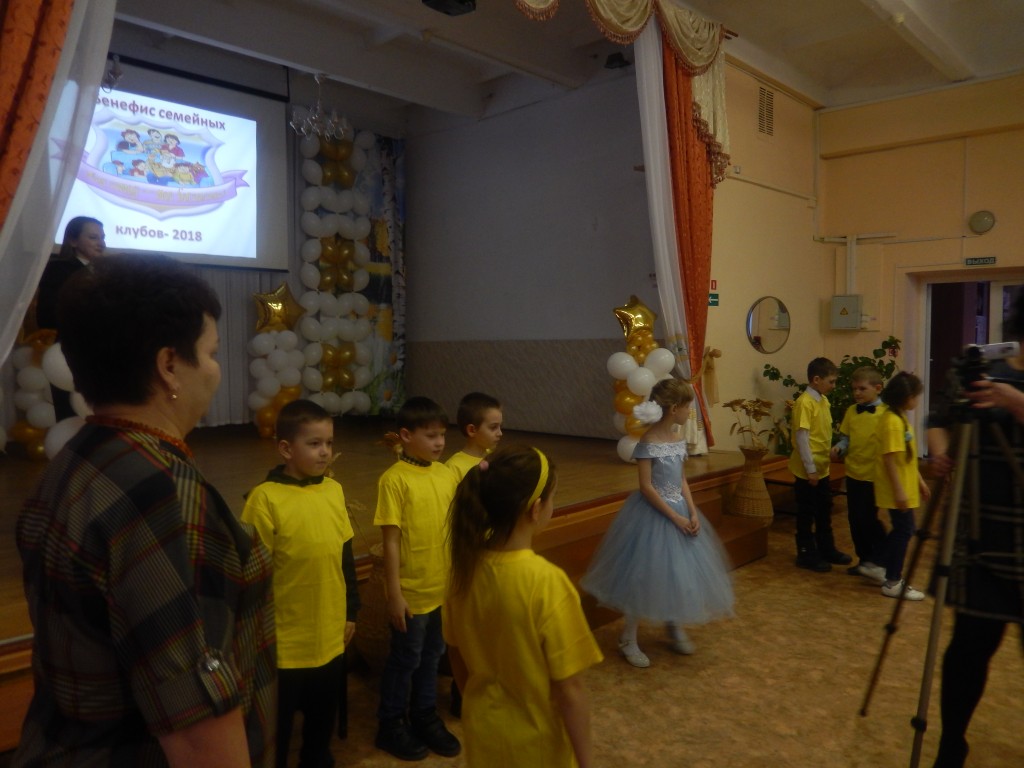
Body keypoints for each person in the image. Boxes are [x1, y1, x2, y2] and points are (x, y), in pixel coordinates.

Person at [14, 254, 275, 767]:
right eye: (211, 352)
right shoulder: (161, 495)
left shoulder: (72, 462)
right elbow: (198, 734)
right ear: (169, 365)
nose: (216, 370)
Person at [444, 445, 602, 767]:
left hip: (483, 731)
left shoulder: (462, 572)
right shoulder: (546, 582)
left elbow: (456, 656)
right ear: (536, 508)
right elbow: (570, 690)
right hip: (536, 746)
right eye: (552, 497)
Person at [929, 291, 1024, 768]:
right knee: (969, 646)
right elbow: (938, 420)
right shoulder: (980, 370)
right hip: (980, 530)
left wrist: (1016, 403)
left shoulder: (1006, 387)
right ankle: (952, 743)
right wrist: (938, 451)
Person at [580, 378, 734, 668]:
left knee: (677, 573)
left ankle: (673, 625)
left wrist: (692, 511)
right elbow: (647, 487)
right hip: (654, 515)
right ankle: (628, 638)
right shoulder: (648, 442)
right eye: (687, 407)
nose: (689, 412)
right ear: (674, 408)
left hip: (680, 510)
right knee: (645, 575)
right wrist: (674, 516)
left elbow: (681, 479)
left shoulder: (677, 439)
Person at [241, 399, 359, 768]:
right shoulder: (264, 500)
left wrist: (351, 611)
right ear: (286, 449)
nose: (325, 451)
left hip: (329, 634)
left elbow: (345, 556)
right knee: (275, 729)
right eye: (314, 443)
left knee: (321, 721)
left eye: (329, 442)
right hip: (285, 641)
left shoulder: (333, 490)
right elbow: (252, 575)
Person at [374, 396, 461, 761]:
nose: (440, 442)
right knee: (406, 658)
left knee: (432, 655)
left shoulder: (445, 474)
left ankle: (424, 716)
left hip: (440, 589)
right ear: (406, 436)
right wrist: (394, 593)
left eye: (442, 435)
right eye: (431, 436)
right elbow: (391, 542)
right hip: (411, 593)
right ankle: (391, 724)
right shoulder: (394, 480)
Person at [35, 217, 106, 420]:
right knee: (70, 414)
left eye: (102, 237)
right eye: (93, 237)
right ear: (73, 241)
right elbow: (46, 314)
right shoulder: (58, 269)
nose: (101, 243)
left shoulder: (108, 272)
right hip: (70, 352)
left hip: (104, 352)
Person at [788, 357, 851, 572]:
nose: (834, 385)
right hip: (808, 471)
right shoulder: (804, 403)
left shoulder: (823, 400)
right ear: (816, 379)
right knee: (807, 512)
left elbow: (821, 433)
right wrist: (811, 470)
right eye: (831, 381)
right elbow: (802, 439)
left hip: (822, 468)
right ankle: (806, 553)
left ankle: (827, 548)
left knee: (824, 510)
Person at [873, 371, 931, 601]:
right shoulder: (892, 423)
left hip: (904, 486)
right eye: (916, 396)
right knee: (904, 530)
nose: (917, 401)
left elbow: (906, 456)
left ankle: (877, 562)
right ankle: (892, 580)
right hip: (896, 489)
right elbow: (889, 460)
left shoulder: (900, 417)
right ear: (907, 397)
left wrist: (920, 481)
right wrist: (899, 492)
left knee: (904, 529)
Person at [830, 366, 888, 584]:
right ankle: (864, 560)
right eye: (854, 389)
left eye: (862, 389)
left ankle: (881, 560)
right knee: (855, 520)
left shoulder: (887, 414)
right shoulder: (852, 411)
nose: (857, 393)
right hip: (854, 473)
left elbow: (902, 438)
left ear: (878, 388)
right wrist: (839, 448)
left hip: (875, 476)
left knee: (868, 519)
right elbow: (846, 439)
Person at [445, 391, 503, 482]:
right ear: (472, 430)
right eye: (493, 427)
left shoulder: (494, 457)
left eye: (500, 426)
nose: (500, 433)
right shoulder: (454, 467)